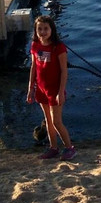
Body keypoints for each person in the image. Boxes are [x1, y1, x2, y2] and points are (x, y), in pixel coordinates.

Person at [26, 15, 75, 160]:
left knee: (56, 121)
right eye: (39, 29)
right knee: (48, 121)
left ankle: (69, 147)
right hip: (41, 88)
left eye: (46, 29)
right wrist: (30, 88)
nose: (42, 32)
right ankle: (53, 148)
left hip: (54, 90)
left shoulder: (58, 48)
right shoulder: (35, 45)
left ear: (52, 30)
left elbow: (64, 71)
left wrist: (61, 92)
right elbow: (34, 67)